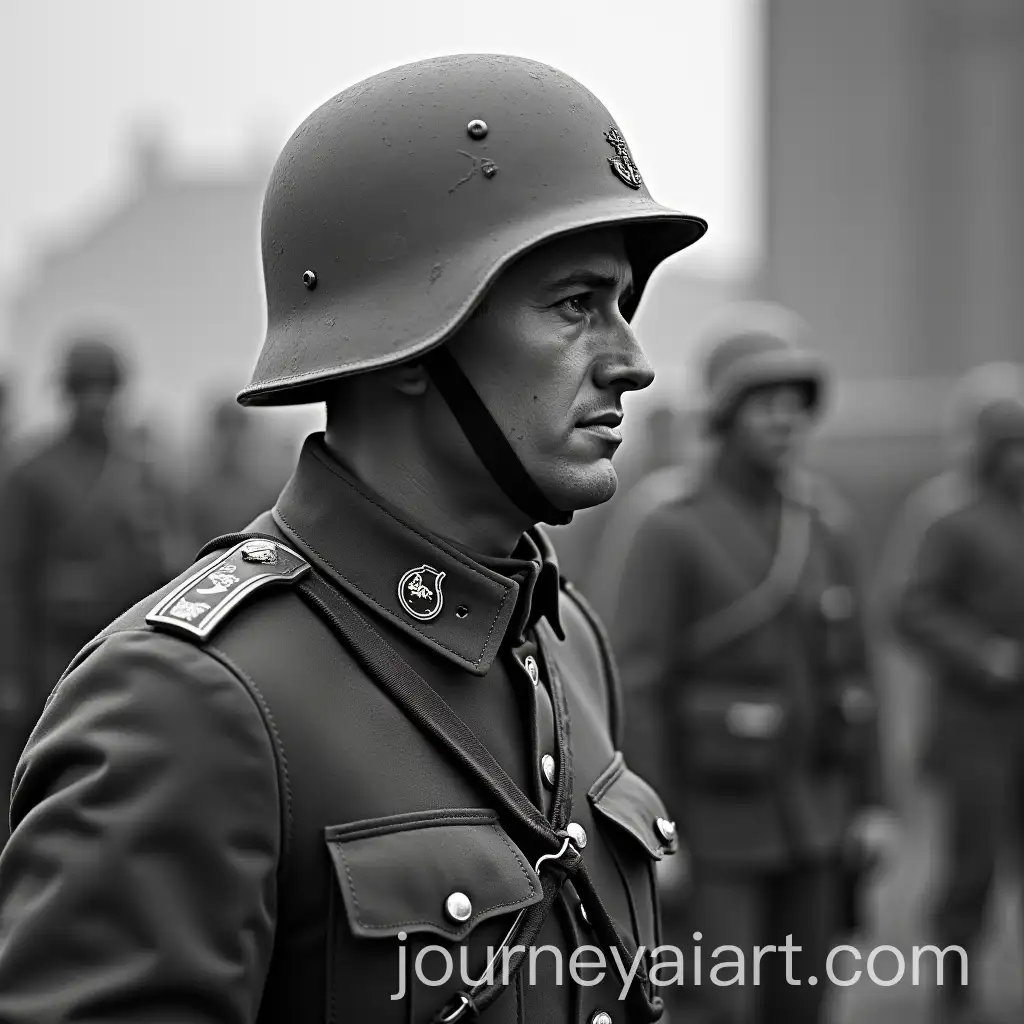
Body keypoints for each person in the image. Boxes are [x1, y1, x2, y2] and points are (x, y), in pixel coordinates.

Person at [0, 55, 708, 1023]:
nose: (631, 361)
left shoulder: (563, 646)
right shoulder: (192, 706)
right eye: (575, 305)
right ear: (412, 340)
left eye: (622, 305)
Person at [611, 303, 896, 1024]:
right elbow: (638, 689)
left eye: (797, 405)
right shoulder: (667, 525)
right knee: (718, 1005)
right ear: (724, 413)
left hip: (816, 818)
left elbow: (858, 671)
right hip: (715, 826)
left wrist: (873, 800)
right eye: (765, 403)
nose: (785, 420)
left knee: (803, 1003)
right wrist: (657, 832)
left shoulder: (825, 521)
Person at [891, 371, 1024, 1024]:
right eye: (1010, 444)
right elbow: (910, 606)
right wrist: (983, 654)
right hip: (974, 725)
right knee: (972, 864)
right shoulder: (946, 514)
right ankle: (954, 981)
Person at [0, 337, 170, 822]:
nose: (96, 400)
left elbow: (161, 566)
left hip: (117, 644)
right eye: (85, 388)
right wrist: (10, 673)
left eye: (104, 388)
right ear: (68, 393)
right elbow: (9, 579)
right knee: (44, 780)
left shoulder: (139, 471)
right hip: (48, 650)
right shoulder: (30, 473)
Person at [184, 397, 286, 550]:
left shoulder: (265, 495)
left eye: (237, 428)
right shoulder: (195, 494)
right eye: (224, 428)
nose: (231, 439)